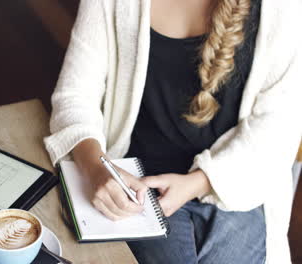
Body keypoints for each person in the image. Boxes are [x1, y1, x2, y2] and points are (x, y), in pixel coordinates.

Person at [44, 0, 301, 263]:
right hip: (137, 187)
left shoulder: (284, 9)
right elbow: (75, 95)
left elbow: (278, 130)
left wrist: (198, 182)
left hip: (236, 183)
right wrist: (97, 167)